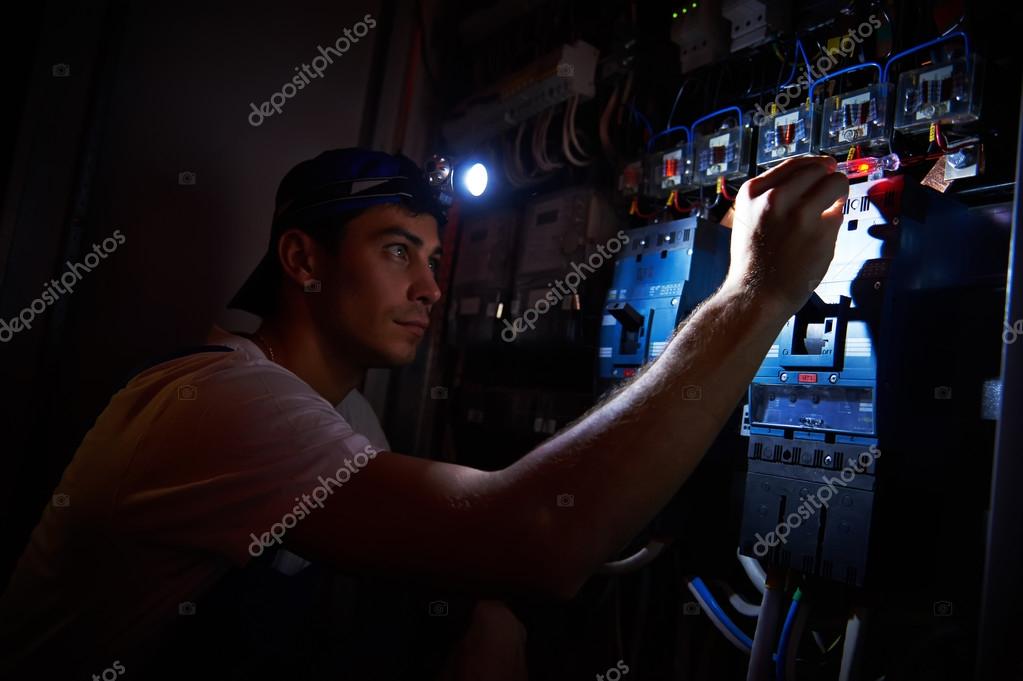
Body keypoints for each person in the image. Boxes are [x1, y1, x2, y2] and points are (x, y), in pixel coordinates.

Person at [0, 148, 848, 679]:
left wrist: (492, 604)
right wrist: (757, 292)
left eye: (434, 258)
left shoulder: (349, 423)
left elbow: (479, 539)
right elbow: (534, 540)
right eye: (396, 250)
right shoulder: (217, 403)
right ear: (302, 259)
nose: (431, 289)